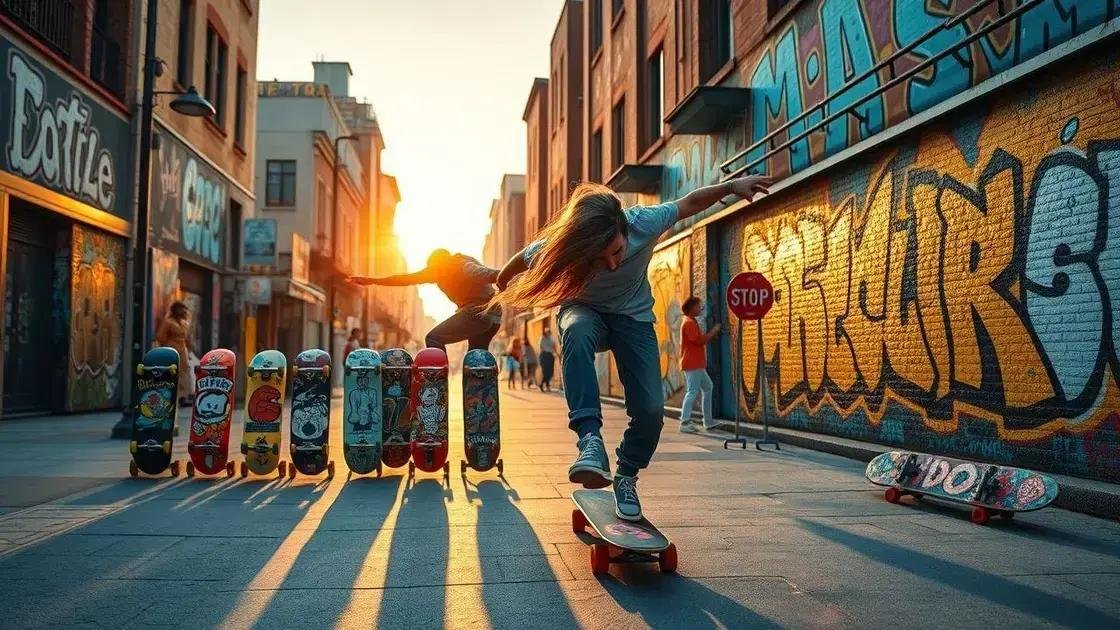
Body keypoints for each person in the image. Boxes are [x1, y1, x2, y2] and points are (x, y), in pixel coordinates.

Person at [492, 174, 770, 520]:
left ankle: (626, 474)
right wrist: (501, 284)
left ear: (625, 231)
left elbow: (689, 203)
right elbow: (518, 262)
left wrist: (730, 188)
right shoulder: (564, 245)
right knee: (575, 332)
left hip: (633, 319)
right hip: (584, 310)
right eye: (600, 259)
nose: (612, 264)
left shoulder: (644, 222)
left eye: (617, 252)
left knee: (652, 410)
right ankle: (590, 441)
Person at [349, 249, 501, 351]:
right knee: (476, 357)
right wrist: (373, 280)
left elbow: (483, 273)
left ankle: (436, 385)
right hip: (494, 317)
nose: (434, 276)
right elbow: (404, 279)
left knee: (434, 338)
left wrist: (509, 273)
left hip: (476, 313)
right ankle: (481, 389)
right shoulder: (453, 265)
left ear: (439, 264)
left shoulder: (459, 265)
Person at [678, 297, 721, 433]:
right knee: (692, 392)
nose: (700, 308)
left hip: (696, 363)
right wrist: (714, 331)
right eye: (698, 306)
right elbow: (698, 341)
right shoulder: (689, 322)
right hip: (692, 363)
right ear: (691, 308)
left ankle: (707, 421)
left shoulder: (691, 321)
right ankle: (684, 422)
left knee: (708, 387)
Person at [155, 300, 193, 406]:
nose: (182, 311)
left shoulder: (184, 322)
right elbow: (160, 336)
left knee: (184, 372)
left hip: (183, 350)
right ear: (175, 310)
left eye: (184, 309)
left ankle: (182, 397)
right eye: (180, 309)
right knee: (171, 372)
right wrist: (166, 347)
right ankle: (170, 396)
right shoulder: (168, 322)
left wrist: (189, 349)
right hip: (171, 348)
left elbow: (187, 337)